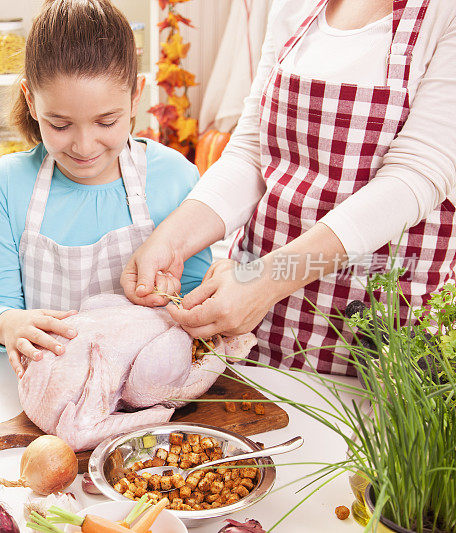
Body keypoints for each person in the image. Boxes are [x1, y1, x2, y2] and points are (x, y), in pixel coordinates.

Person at [123, 0, 456, 375]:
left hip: (380, 338)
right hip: (256, 320)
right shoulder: (293, 6)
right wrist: (172, 239)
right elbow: (252, 151)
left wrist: (264, 282)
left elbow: (416, 174)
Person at [0, 0, 212, 377]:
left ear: (136, 96)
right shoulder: (6, 185)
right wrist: (9, 325)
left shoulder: (175, 177)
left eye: (106, 122)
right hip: (49, 389)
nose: (84, 147)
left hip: (151, 388)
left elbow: (199, 302)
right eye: (60, 124)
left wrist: (173, 296)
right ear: (31, 101)